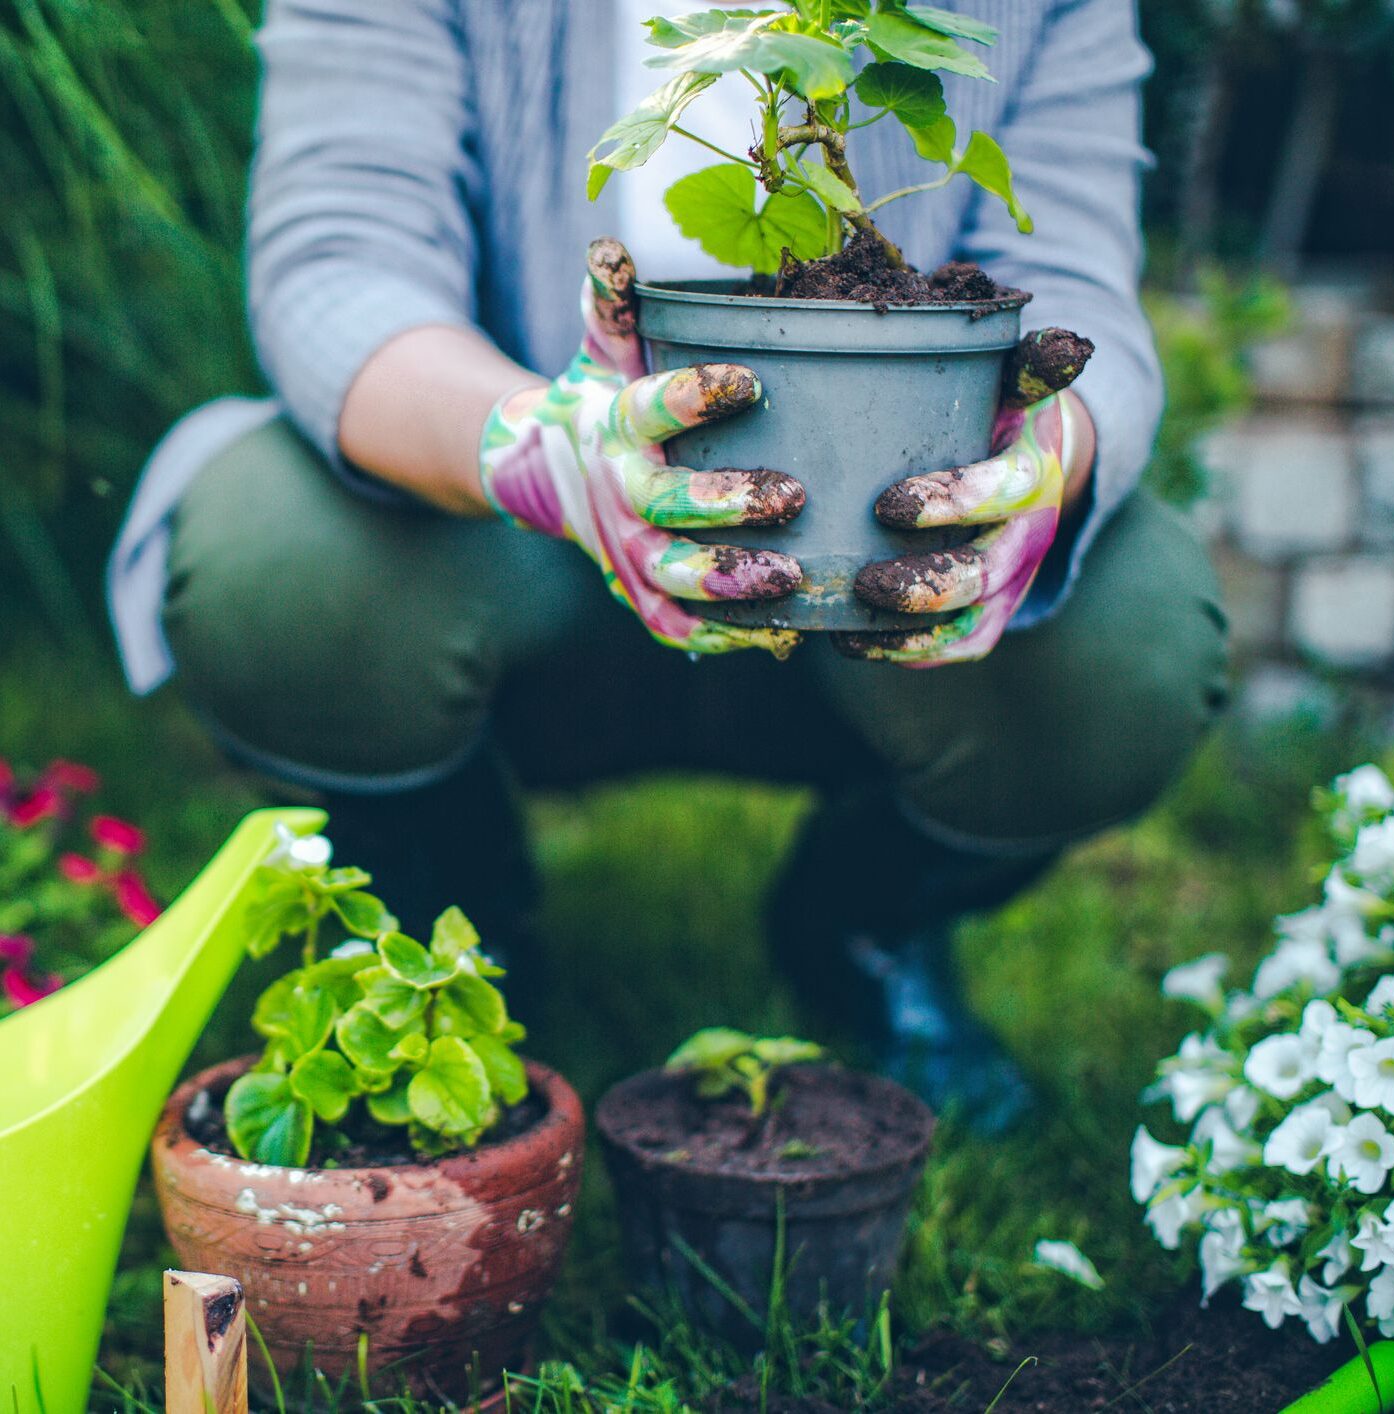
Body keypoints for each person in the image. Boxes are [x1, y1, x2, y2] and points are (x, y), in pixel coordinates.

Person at [108, 0, 1229, 1133]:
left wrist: (1047, 453)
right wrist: (545, 450)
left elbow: (1072, 279)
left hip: (879, 549)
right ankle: (452, 903)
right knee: (273, 558)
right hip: (505, 544)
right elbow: (338, 262)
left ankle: (864, 919)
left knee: (1129, 641)